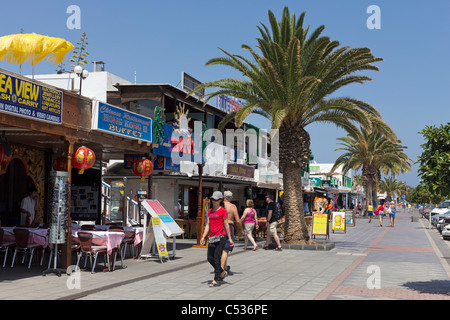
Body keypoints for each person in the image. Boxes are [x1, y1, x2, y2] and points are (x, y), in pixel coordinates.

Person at [200, 191, 234, 287]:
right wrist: (203, 236)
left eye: (216, 200)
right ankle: (222, 271)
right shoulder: (210, 211)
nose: (213, 201)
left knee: (216, 258)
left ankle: (216, 279)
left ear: (220, 200)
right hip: (212, 237)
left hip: (221, 236)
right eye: (213, 199)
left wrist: (230, 238)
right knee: (209, 258)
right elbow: (208, 225)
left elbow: (226, 225)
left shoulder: (223, 211)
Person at [221, 191, 241, 274]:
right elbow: (237, 220)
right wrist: (241, 230)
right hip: (229, 226)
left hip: (220, 226)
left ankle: (225, 266)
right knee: (226, 248)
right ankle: (222, 268)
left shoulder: (220, 206)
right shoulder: (233, 206)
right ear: (230, 198)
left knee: (221, 247)